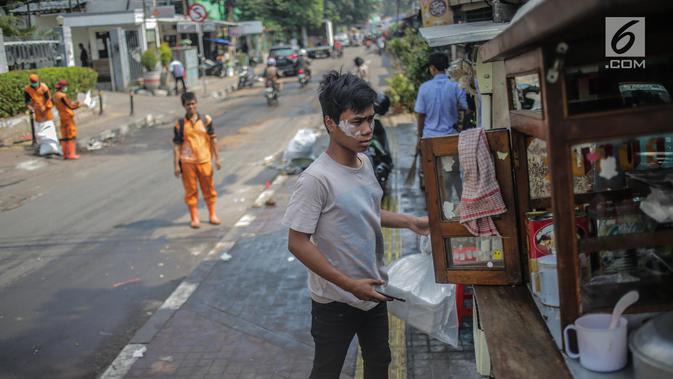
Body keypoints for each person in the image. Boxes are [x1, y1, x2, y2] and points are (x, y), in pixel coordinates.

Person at [282, 71, 430, 378]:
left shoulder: (365, 164)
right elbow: (297, 242)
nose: (366, 130)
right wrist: (349, 285)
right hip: (335, 301)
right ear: (330, 124)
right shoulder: (315, 180)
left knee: (379, 363)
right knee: (327, 371)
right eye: (356, 121)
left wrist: (410, 221)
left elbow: (366, 211)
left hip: (372, 291)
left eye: (370, 120)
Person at [414, 52, 468, 196]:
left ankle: (444, 208)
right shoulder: (455, 86)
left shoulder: (424, 88)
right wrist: (458, 122)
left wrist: (419, 137)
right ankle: (458, 209)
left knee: (435, 177)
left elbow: (420, 115)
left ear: (432, 68)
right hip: (451, 139)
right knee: (453, 174)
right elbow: (465, 106)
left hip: (430, 140)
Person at [173, 92, 221, 229]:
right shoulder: (180, 125)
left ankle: (212, 214)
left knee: (209, 189)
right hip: (187, 162)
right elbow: (177, 145)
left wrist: (217, 158)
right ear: (184, 106)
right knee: (191, 191)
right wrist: (176, 165)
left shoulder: (206, 120)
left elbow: (213, 138)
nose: (191, 107)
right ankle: (194, 217)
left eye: (193, 104)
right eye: (188, 105)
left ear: (197, 104)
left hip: (205, 160)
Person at [24, 74, 60, 156]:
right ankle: (43, 146)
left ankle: (53, 145)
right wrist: (30, 106)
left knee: (49, 126)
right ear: (30, 82)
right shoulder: (27, 89)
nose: (34, 84)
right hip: (37, 110)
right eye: (33, 82)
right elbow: (27, 100)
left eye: (35, 82)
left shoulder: (43, 87)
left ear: (38, 81)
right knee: (40, 128)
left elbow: (48, 98)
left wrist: (44, 106)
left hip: (46, 109)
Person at [54, 80, 81, 160]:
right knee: (71, 136)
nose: (66, 88)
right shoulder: (62, 96)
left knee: (64, 136)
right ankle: (71, 154)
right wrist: (80, 104)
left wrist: (75, 103)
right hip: (68, 118)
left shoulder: (55, 95)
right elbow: (71, 107)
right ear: (62, 87)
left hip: (62, 117)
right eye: (65, 86)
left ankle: (65, 154)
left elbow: (66, 105)